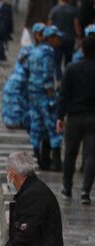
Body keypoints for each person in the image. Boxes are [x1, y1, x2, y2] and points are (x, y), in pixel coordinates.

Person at [57, 36, 95, 205]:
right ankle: (86, 191)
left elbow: (63, 95)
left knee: (70, 154)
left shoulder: (72, 69)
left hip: (74, 117)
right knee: (90, 155)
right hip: (93, 118)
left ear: (82, 50)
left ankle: (67, 188)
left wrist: (60, 116)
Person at [27, 25, 63, 171]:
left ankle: (37, 157)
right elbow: (47, 74)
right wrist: (51, 94)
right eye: (57, 37)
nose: (59, 40)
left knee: (36, 125)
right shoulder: (48, 53)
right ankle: (55, 161)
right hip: (44, 94)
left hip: (33, 93)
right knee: (53, 126)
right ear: (51, 38)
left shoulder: (34, 50)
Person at [2, 23, 46, 130]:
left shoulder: (33, 50)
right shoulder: (32, 51)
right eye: (41, 35)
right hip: (19, 86)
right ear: (36, 35)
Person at [48, 0, 81, 79]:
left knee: (57, 62)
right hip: (70, 39)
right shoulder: (74, 11)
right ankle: (67, 77)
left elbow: (49, 24)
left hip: (57, 40)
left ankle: (59, 79)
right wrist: (80, 38)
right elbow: (76, 26)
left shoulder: (54, 10)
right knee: (68, 60)